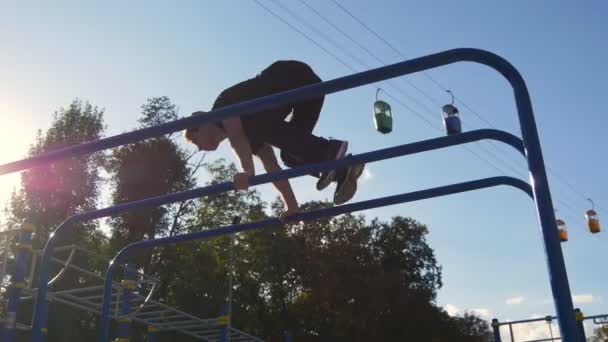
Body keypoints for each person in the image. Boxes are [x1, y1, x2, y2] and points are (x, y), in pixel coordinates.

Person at [184, 60, 364, 222]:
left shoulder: (221, 108)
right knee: (290, 156)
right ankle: (342, 170)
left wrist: (247, 171)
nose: (199, 148)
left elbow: (238, 139)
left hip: (289, 76)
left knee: (258, 124)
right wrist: (292, 206)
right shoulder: (252, 138)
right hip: (308, 95)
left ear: (200, 125)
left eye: (195, 141)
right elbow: (272, 166)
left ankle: (330, 148)